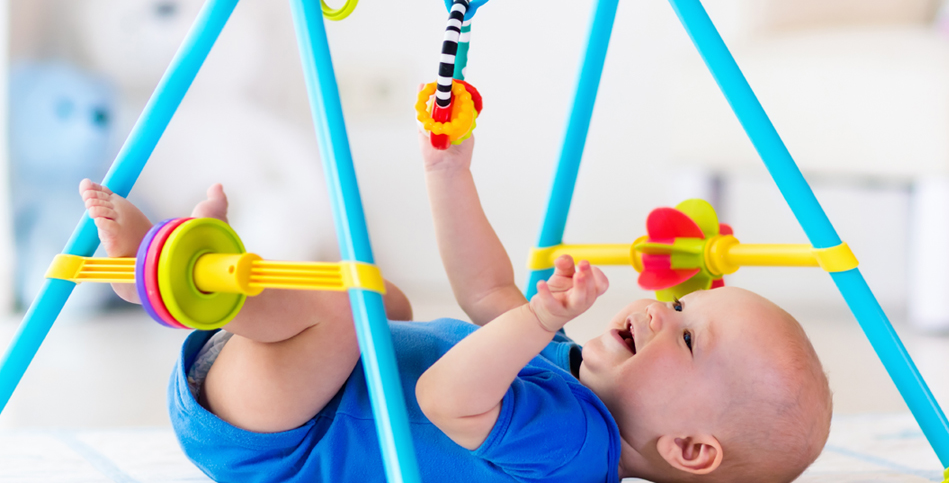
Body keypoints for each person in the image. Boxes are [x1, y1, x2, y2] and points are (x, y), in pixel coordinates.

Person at [78, 131, 831, 483]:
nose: (663, 311)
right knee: (387, 302)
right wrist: (448, 174)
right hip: (286, 394)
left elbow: (445, 396)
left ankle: (174, 286)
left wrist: (533, 320)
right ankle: (202, 283)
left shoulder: (573, 446)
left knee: (354, 312)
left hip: (281, 440)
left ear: (689, 450)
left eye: (690, 339)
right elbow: (482, 292)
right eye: (682, 303)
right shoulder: (568, 373)